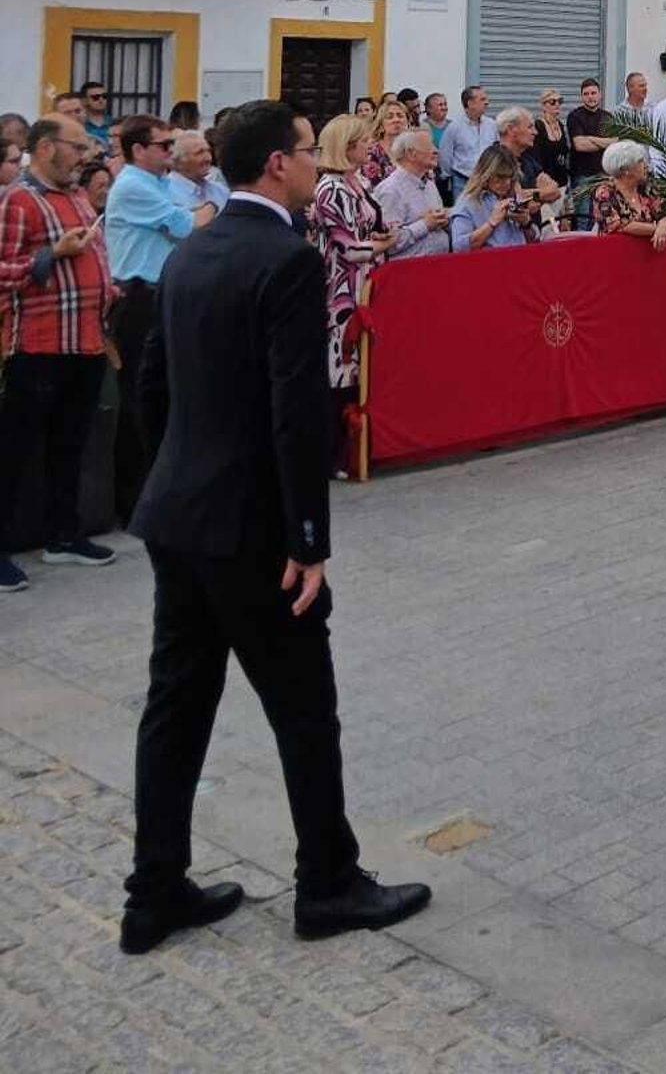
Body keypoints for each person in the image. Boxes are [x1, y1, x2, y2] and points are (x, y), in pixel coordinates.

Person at [121, 99, 430, 954]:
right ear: (273, 166)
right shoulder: (285, 259)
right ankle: (327, 882)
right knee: (304, 708)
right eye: (305, 151)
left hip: (179, 515)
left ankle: (153, 890)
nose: (314, 164)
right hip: (251, 529)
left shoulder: (194, 249)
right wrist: (307, 539)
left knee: (175, 706)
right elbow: (297, 414)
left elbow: (156, 382)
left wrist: (176, 473)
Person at [0, 114, 115, 591]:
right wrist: (53, 256)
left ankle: (62, 535)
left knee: (70, 444)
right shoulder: (19, 201)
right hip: (39, 346)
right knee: (14, 451)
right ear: (46, 148)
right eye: (76, 146)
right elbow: (3, 269)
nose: (84, 155)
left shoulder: (76, 197)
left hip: (84, 341)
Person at [106, 116, 210, 526]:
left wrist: (202, 212)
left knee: (166, 395)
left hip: (163, 294)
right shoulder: (134, 185)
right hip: (137, 298)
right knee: (138, 399)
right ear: (138, 150)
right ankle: (133, 499)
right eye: (163, 145)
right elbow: (192, 225)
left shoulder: (161, 183)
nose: (170, 151)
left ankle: (162, 487)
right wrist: (205, 210)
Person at [307, 116, 393, 476]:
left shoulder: (357, 183)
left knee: (357, 370)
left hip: (363, 283)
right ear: (346, 147)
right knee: (339, 370)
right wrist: (382, 243)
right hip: (340, 287)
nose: (368, 146)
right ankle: (331, 455)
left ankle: (352, 449)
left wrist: (384, 236)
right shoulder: (331, 188)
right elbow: (348, 245)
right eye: (361, 142)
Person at [371, 130, 450, 259]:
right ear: (411, 154)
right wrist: (425, 225)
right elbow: (387, 245)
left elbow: (437, 224)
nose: (436, 151)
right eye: (430, 146)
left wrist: (444, 221)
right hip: (407, 272)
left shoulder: (429, 185)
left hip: (438, 266)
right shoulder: (390, 190)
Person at [590, 142, 666, 248]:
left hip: (648, 254)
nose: (646, 166)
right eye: (640, 161)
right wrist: (658, 229)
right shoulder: (604, 193)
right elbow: (621, 226)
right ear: (626, 170)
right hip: (616, 253)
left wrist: (664, 223)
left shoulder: (646, 188)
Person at [448, 146, 529, 251]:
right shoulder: (468, 201)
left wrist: (526, 223)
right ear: (485, 175)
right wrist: (491, 223)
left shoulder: (513, 195)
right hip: (488, 264)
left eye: (510, 177)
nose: (507, 182)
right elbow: (459, 246)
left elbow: (534, 238)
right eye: (500, 177)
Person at [566, 77, 612, 231]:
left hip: (602, 175)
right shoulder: (574, 116)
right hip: (581, 176)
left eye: (593, 93)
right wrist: (603, 142)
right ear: (581, 96)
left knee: (600, 218)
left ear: (600, 94)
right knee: (583, 219)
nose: (590, 97)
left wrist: (590, 138)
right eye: (586, 94)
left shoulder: (607, 117)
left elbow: (614, 142)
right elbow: (580, 145)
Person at [438, 84, 497, 198]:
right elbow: (445, 155)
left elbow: (496, 149)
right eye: (482, 99)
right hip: (463, 182)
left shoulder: (492, 125)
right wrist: (449, 176)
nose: (487, 102)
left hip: (488, 182)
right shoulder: (454, 127)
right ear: (470, 103)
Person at [530, 89, 571, 228]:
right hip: (547, 186)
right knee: (549, 227)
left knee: (563, 226)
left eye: (560, 101)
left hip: (562, 184)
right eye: (553, 102)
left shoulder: (560, 125)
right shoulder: (539, 127)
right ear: (543, 105)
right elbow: (537, 159)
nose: (557, 105)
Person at [167, 130, 229, 219]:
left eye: (208, 151)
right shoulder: (163, 193)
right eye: (199, 153)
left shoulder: (221, 191)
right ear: (179, 160)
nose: (208, 158)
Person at [360, 99, 409, 190]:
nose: (396, 120)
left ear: (407, 122)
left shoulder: (415, 148)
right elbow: (372, 187)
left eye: (400, 116)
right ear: (381, 124)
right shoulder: (372, 152)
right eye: (390, 117)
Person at [80, 81, 112, 150]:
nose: (101, 100)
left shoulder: (114, 123)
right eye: (95, 97)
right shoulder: (79, 124)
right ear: (84, 101)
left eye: (104, 96)